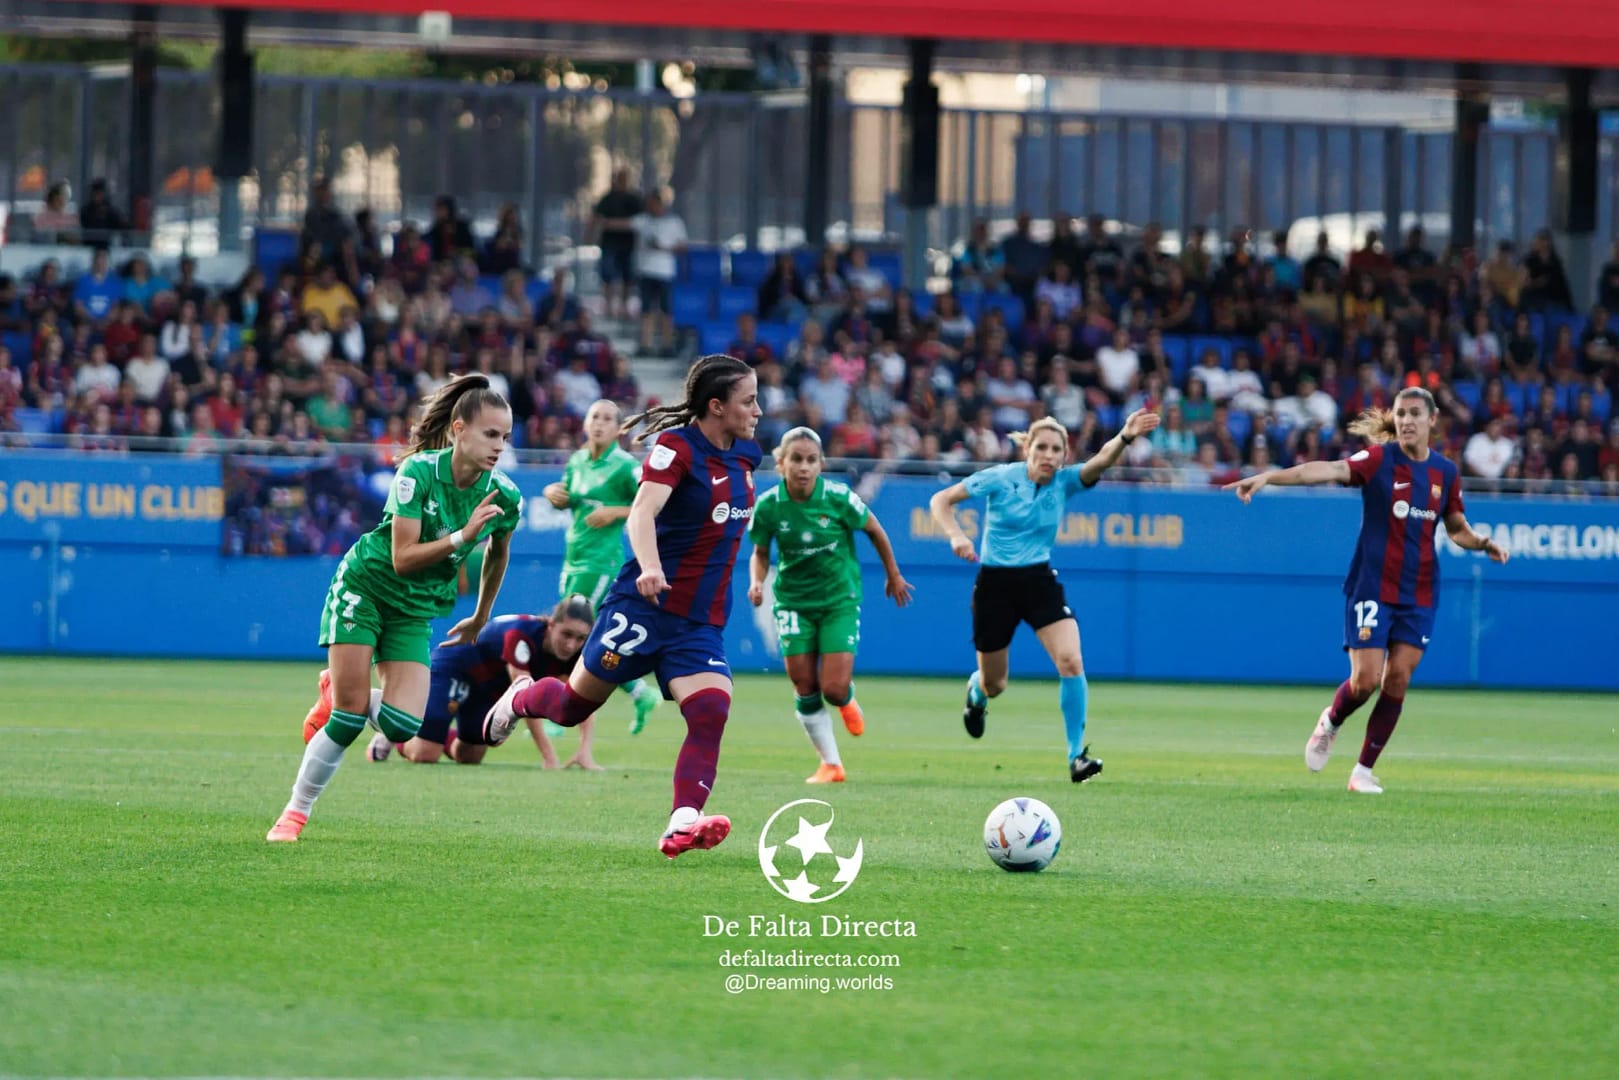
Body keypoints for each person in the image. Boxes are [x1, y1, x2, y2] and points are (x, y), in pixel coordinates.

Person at [482, 355, 762, 859]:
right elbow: (642, 513)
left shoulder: (747, 453)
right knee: (571, 708)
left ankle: (681, 822)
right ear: (717, 406)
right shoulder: (675, 449)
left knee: (711, 711)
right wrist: (651, 566)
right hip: (641, 606)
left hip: (698, 621)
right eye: (749, 400)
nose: (758, 410)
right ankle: (520, 697)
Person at [266, 374, 524, 842]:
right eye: (490, 434)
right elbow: (403, 560)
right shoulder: (418, 473)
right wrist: (464, 535)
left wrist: (482, 615)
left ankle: (336, 691)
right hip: (366, 587)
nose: (499, 446)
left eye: (505, 437)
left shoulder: (504, 496)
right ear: (458, 430)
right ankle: (294, 814)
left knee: (404, 727)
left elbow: (498, 551)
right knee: (347, 718)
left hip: (413, 610)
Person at [1224, 387, 1509, 794]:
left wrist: (1482, 542)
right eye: (1401, 414)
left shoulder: (1444, 472)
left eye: (1415, 413)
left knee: (1398, 680)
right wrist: (1271, 476)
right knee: (1365, 681)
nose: (1407, 420)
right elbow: (1322, 470)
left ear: (1432, 420)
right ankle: (1332, 721)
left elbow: (1456, 528)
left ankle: (1362, 772)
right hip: (1373, 587)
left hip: (1420, 591)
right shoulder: (1379, 460)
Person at [928, 410, 1161, 781]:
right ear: (1028, 450)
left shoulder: (1065, 482)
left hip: (1038, 581)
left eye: (1057, 449)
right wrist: (956, 535)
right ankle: (977, 691)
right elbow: (941, 500)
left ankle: (1076, 757)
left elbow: (1100, 461)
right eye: (1042, 447)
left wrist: (1126, 436)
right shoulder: (1001, 478)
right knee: (996, 684)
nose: (1049, 455)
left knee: (1070, 660)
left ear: (1065, 455)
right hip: (995, 586)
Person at [746, 427, 913, 783]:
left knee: (833, 688)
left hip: (839, 601)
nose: (803, 467)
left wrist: (893, 574)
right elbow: (760, 552)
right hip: (793, 602)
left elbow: (875, 530)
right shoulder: (769, 506)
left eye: (810, 460)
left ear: (821, 465)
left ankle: (847, 699)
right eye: (796, 459)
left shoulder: (838, 498)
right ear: (781, 463)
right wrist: (757, 581)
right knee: (804, 685)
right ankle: (831, 764)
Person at [301, 596, 597, 767]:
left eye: (580, 639)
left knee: (469, 757)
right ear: (550, 624)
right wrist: (550, 758)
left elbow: (578, 698)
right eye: (566, 634)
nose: (571, 645)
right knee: (424, 755)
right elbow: (525, 698)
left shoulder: (573, 654)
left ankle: (430, 730)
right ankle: (388, 730)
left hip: (489, 689)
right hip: (456, 668)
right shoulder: (521, 634)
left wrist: (585, 749)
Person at [542, 399, 661, 733]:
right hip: (573, 556)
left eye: (608, 418)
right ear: (584, 423)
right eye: (595, 416)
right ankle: (640, 692)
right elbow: (570, 499)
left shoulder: (625, 466)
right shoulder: (577, 461)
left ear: (619, 428)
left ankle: (565, 708)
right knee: (585, 633)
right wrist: (554, 493)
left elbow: (649, 504)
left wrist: (615, 512)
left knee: (572, 631)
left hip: (601, 561)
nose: (599, 423)